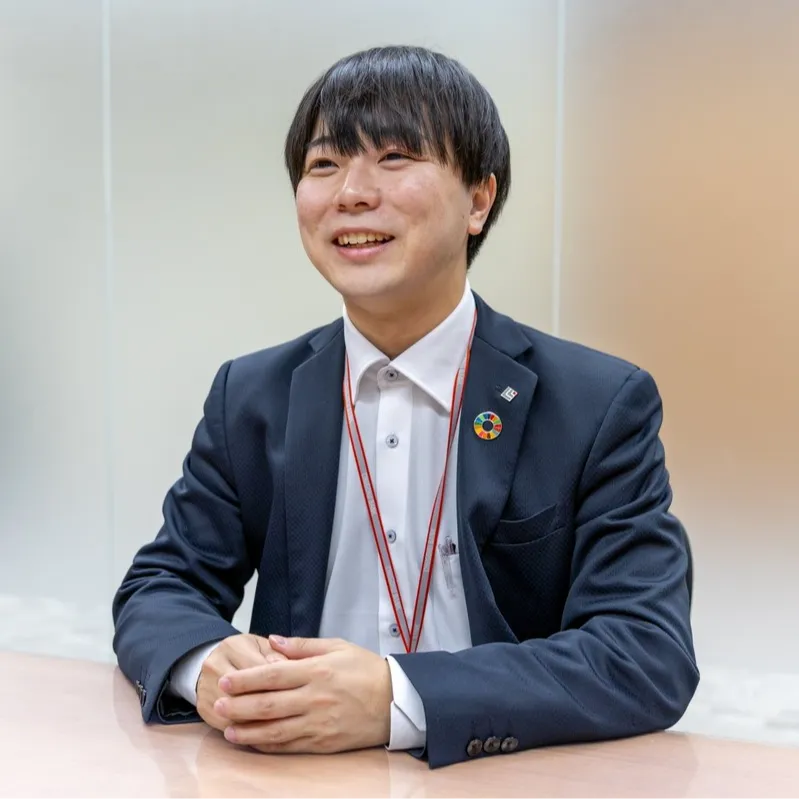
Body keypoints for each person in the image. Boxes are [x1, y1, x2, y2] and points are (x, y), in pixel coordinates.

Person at [112, 45, 699, 769]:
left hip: (497, 775)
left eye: (394, 157)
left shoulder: (595, 403)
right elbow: (160, 586)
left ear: (478, 200)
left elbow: (644, 652)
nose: (351, 192)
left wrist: (398, 696)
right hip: (287, 774)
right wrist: (206, 664)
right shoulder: (252, 395)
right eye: (324, 164)